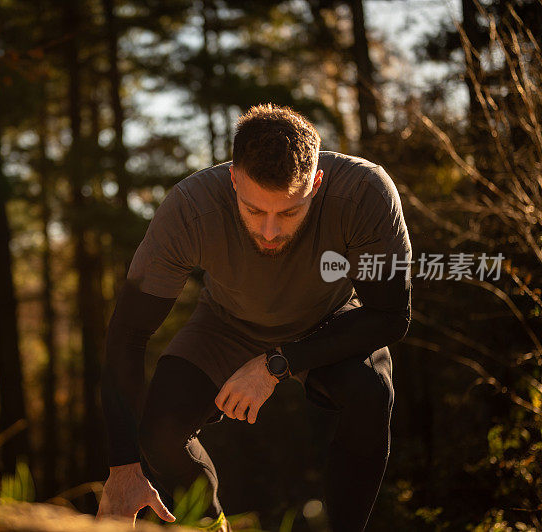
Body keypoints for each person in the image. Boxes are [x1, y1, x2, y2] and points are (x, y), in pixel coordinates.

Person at [95, 103, 412, 532]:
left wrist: (276, 364)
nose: (269, 231)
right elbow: (128, 334)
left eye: (289, 212)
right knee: (159, 435)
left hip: (328, 319)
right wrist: (124, 465)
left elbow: (390, 317)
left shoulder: (364, 193)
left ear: (315, 183)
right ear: (233, 179)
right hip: (226, 324)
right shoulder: (189, 209)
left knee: (370, 397)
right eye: (253, 210)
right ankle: (213, 527)